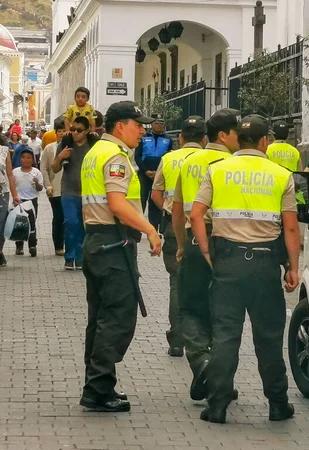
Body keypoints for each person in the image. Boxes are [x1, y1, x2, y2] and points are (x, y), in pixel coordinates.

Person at [190, 114, 301, 424]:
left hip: (227, 262)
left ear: (238, 139)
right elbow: (291, 228)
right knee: (268, 337)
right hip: (265, 265)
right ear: (265, 141)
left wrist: (207, 250)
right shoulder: (281, 175)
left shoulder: (217, 170)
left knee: (226, 335)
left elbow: (197, 215)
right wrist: (293, 267)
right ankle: (278, 404)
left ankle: (218, 406)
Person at [79, 100, 161, 413]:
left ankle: (99, 383)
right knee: (116, 318)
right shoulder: (115, 156)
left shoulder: (95, 152)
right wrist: (151, 230)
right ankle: (98, 389)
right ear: (120, 126)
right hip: (114, 244)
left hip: (97, 242)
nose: (142, 130)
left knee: (100, 317)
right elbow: (117, 203)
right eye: (137, 124)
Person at [172, 108, 240, 400]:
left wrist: (181, 244)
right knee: (224, 314)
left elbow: (177, 209)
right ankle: (219, 376)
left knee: (190, 307)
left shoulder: (188, 163)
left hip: (195, 240)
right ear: (223, 135)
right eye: (237, 131)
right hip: (229, 244)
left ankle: (201, 361)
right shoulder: (236, 165)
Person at [152, 116, 208, 358]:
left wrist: (168, 208)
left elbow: (156, 193)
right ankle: (203, 339)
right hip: (207, 230)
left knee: (177, 282)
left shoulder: (169, 158)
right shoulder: (212, 160)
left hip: (174, 228)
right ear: (205, 139)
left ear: (181, 138)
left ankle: (177, 340)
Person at [53, 117, 99, 270]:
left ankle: (80, 258)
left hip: (89, 192)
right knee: (71, 223)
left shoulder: (93, 146)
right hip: (69, 191)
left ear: (86, 131)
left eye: (78, 130)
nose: (74, 132)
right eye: (72, 129)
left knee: (84, 226)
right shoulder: (65, 144)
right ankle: (70, 256)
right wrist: (61, 157)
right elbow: (54, 168)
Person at [134, 113, 172, 230]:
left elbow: (169, 156)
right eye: (156, 123)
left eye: (161, 123)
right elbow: (137, 156)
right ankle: (137, 226)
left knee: (155, 202)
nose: (159, 125)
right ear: (152, 124)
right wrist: (145, 171)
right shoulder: (144, 137)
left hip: (159, 174)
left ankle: (154, 227)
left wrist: (159, 172)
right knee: (141, 199)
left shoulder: (168, 139)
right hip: (145, 174)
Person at [40, 118, 66, 256]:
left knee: (70, 218)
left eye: (64, 131)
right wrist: (48, 185)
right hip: (55, 189)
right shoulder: (50, 148)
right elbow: (43, 168)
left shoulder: (72, 148)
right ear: (55, 133)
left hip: (70, 189)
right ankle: (58, 245)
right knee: (58, 217)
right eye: (59, 131)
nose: (62, 133)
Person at [13, 149, 43, 257]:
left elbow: (40, 188)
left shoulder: (36, 172)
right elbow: (12, 186)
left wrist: (36, 183)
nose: (26, 160)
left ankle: (32, 245)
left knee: (32, 223)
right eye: (24, 157)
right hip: (19, 201)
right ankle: (19, 246)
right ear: (21, 159)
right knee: (19, 223)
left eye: (29, 158)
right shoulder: (15, 172)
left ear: (32, 160)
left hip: (32, 200)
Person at [0, 143, 20, 266]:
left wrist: (15, 194)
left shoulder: (3, 150)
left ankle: (0, 251)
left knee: (1, 224)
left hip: (2, 193)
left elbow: (10, 174)